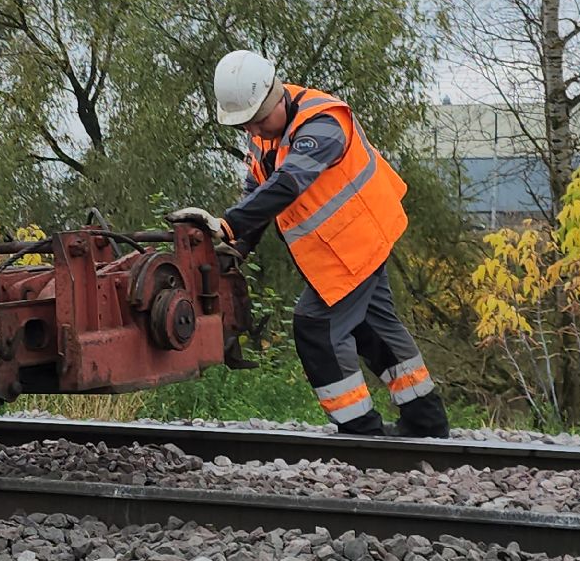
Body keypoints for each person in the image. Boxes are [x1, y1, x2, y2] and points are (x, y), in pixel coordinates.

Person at [168, 50, 450, 440]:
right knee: (375, 328)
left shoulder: (324, 122)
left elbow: (287, 184)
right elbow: (259, 190)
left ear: (277, 95)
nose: (256, 131)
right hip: (338, 251)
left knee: (316, 325)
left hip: (357, 244)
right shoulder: (263, 134)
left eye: (260, 120)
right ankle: (428, 424)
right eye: (247, 126)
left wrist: (227, 226)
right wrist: (235, 249)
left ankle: (360, 432)